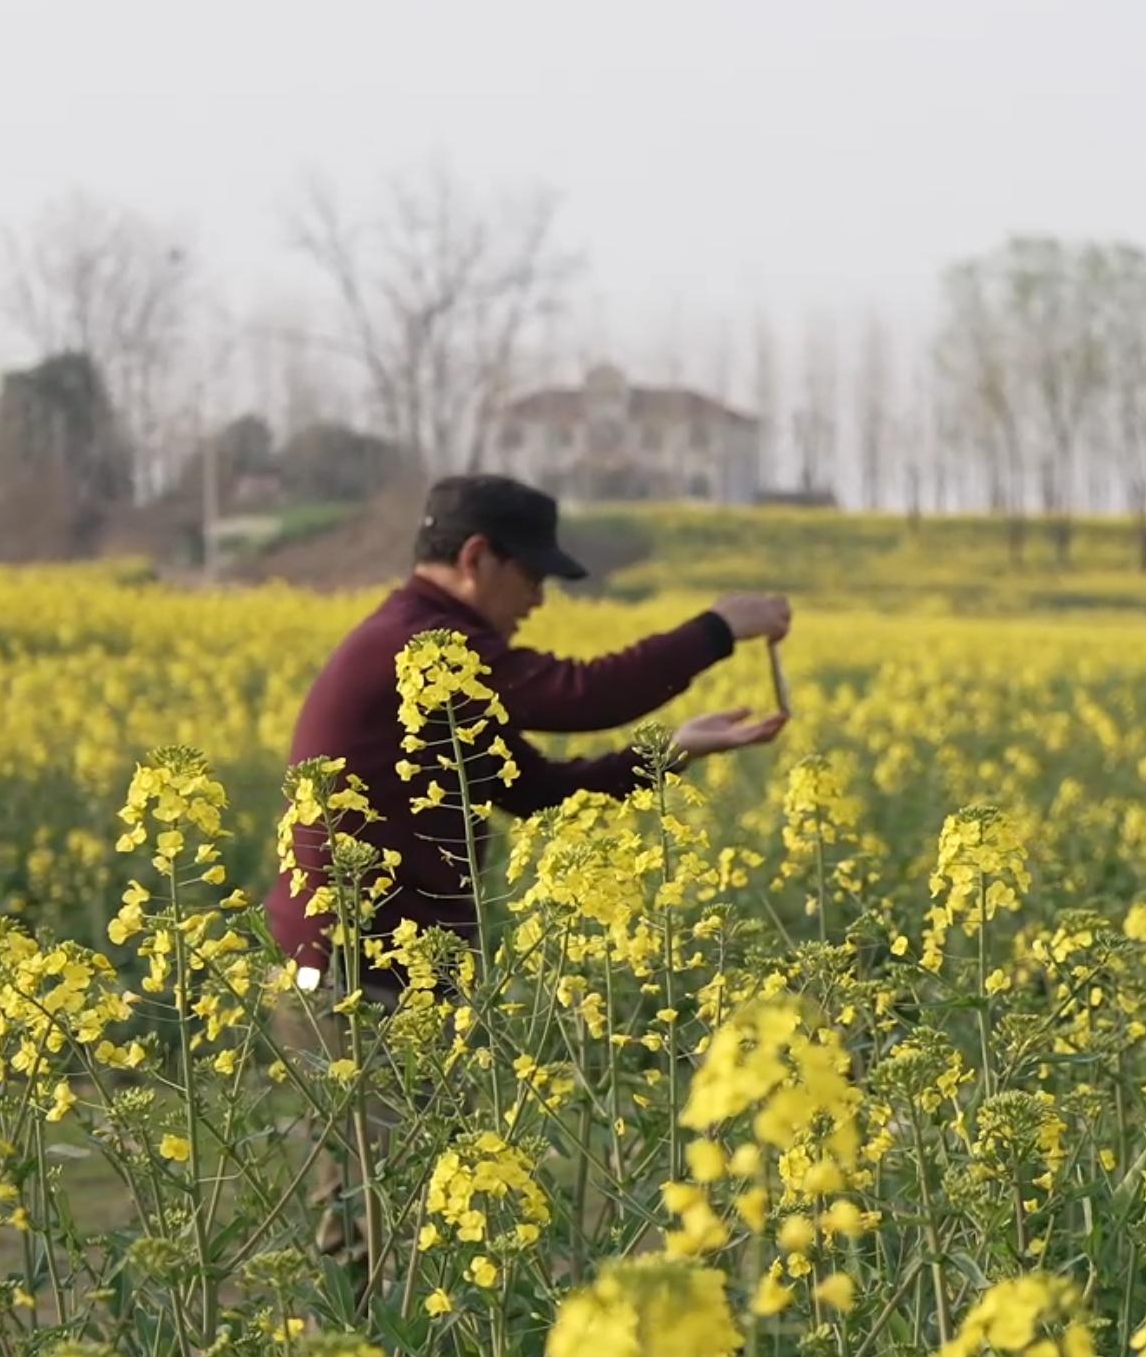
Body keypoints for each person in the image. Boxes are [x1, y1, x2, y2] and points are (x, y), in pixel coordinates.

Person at [263, 472, 794, 1277]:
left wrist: (672, 752)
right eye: (533, 574)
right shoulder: (421, 646)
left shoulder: (435, 662)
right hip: (352, 973)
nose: (540, 598)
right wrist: (719, 628)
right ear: (477, 556)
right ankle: (347, 1353)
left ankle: (377, 1350)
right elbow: (583, 694)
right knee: (378, 1224)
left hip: (397, 972)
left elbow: (535, 790)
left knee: (408, 1219)